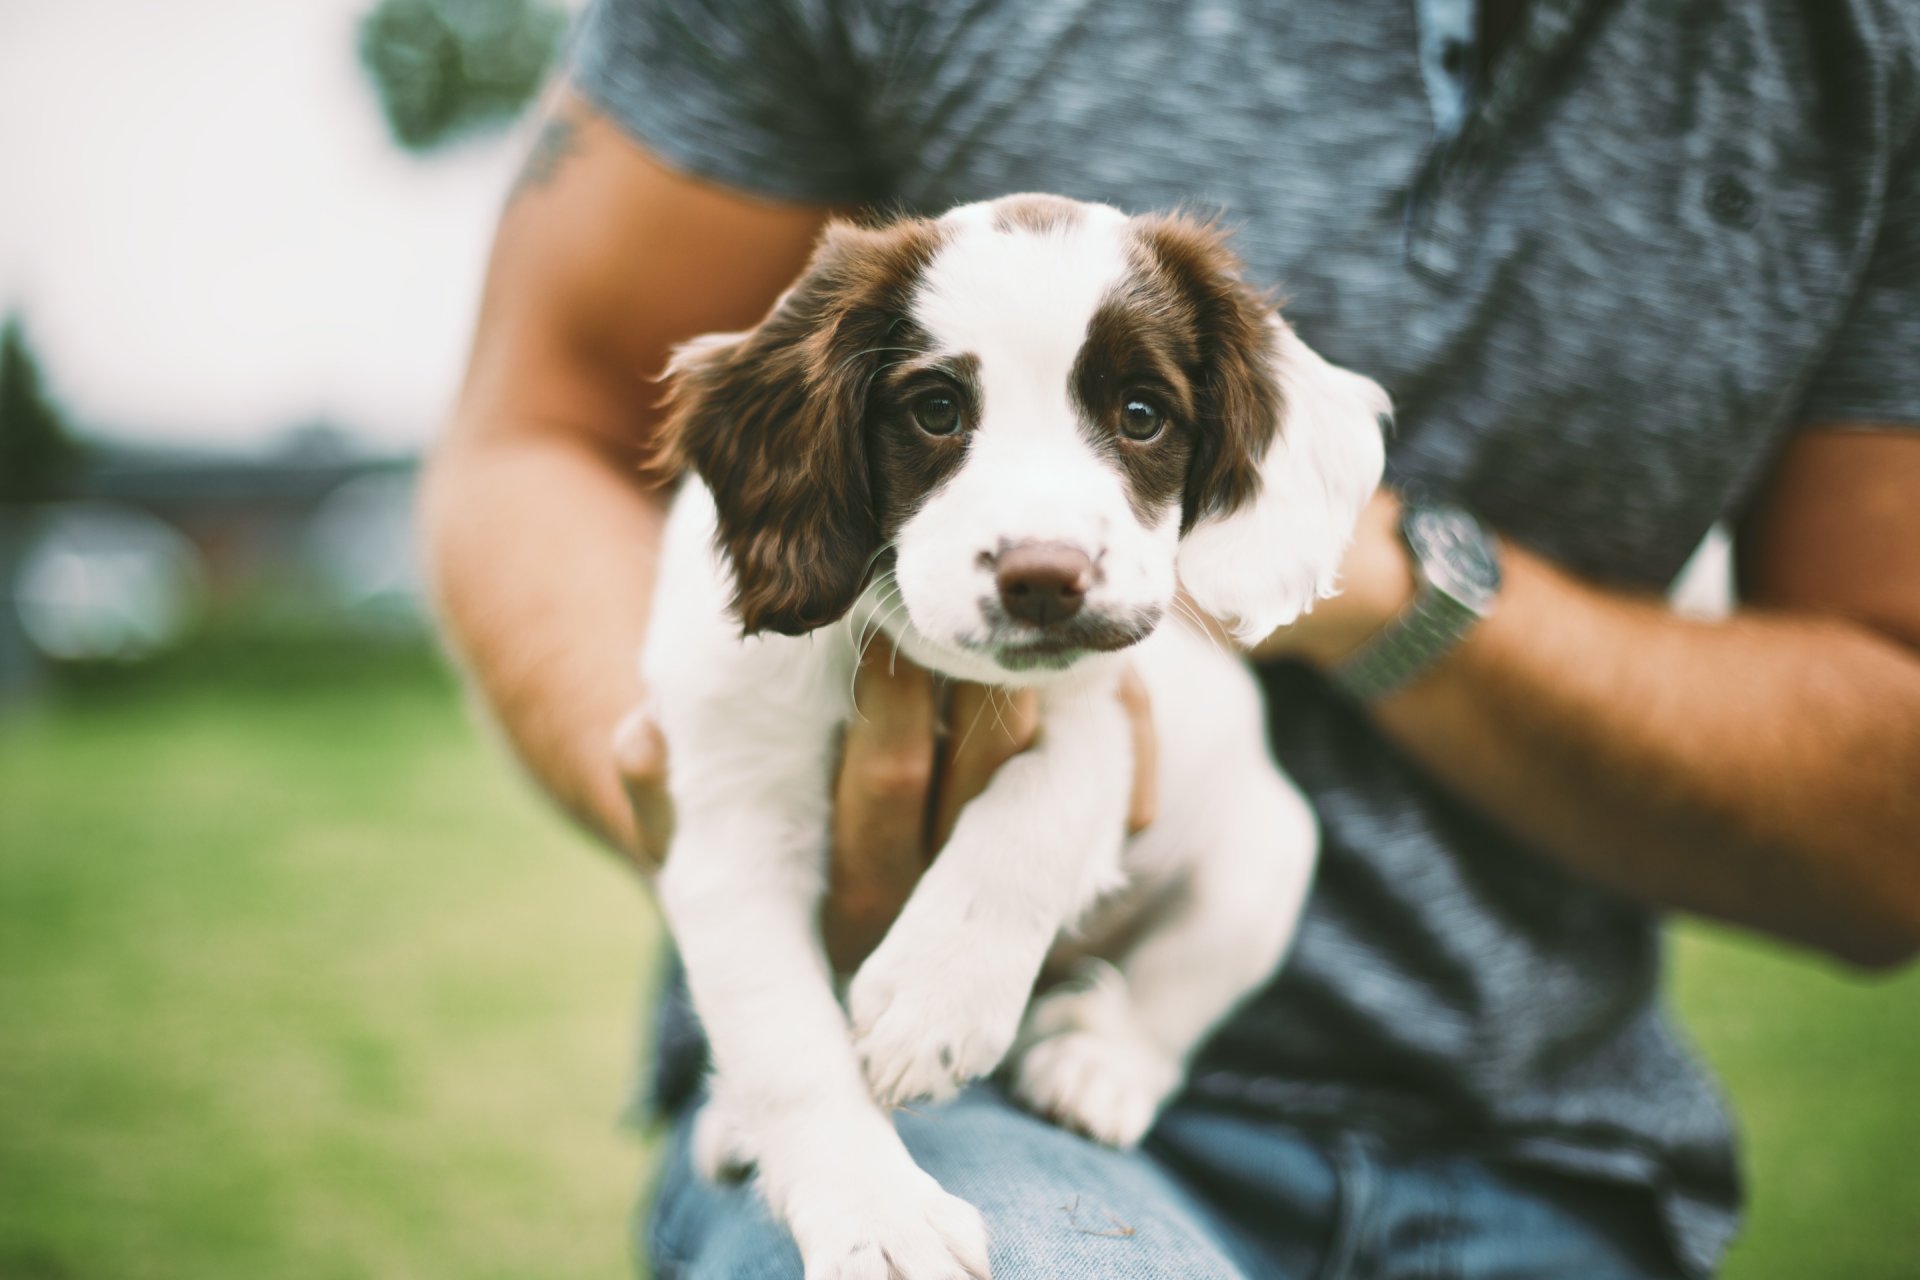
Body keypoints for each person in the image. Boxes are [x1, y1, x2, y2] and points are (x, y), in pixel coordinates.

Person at [421, 1, 1920, 1275]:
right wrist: (724, 851)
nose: (1043, 535)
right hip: (927, 1103)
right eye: (933, 409)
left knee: (1206, 821)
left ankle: (1127, 1027)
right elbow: (548, 417)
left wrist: (1373, 585)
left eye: (1139, 415)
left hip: (1538, 1151)